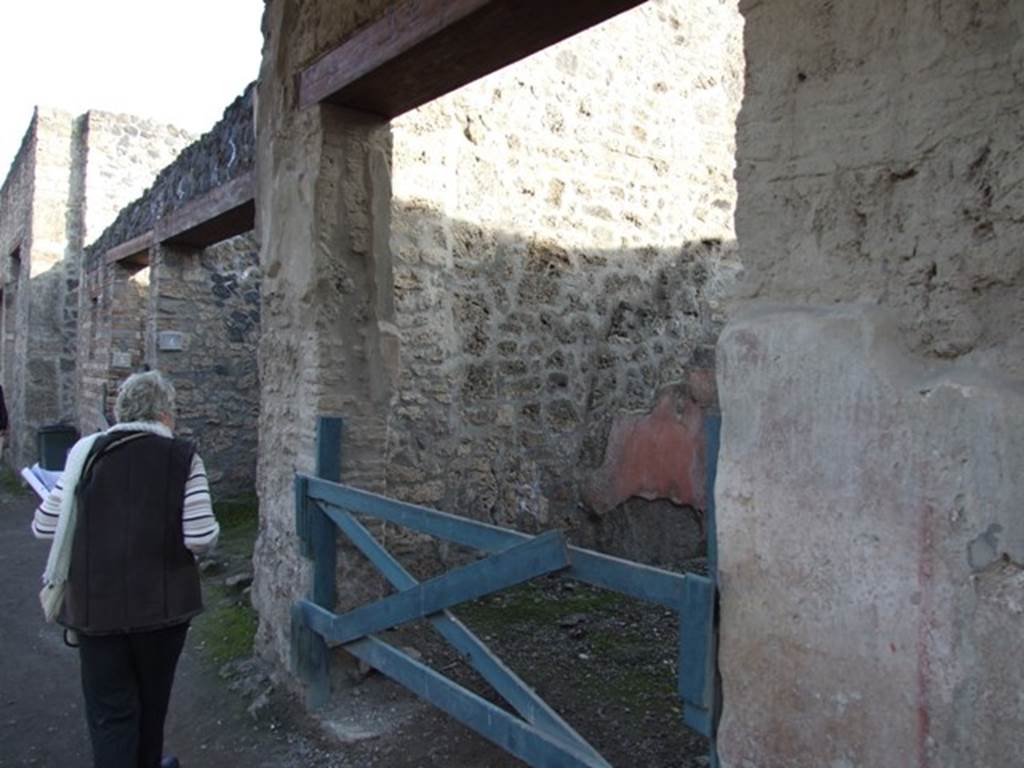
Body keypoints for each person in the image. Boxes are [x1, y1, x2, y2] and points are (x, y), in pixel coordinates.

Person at [32, 370, 220, 768]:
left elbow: (44, 526)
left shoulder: (86, 454)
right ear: (165, 414)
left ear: (121, 411)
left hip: (96, 607)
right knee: (152, 707)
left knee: (110, 715)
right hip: (163, 609)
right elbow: (200, 536)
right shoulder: (183, 457)